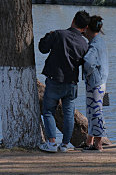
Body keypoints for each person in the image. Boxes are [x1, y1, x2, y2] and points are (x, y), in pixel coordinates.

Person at [38, 10, 90, 153]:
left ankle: (51, 143)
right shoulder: (84, 44)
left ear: (73, 20)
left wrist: (48, 35)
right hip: (71, 82)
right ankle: (65, 145)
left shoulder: (58, 34)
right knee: (68, 114)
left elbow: (42, 48)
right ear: (85, 28)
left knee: (48, 111)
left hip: (55, 80)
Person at [81, 15, 108, 152]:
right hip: (101, 81)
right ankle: (89, 141)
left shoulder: (94, 45)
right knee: (92, 111)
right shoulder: (100, 41)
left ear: (87, 29)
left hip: (95, 82)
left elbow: (88, 62)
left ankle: (98, 144)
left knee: (95, 112)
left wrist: (86, 71)